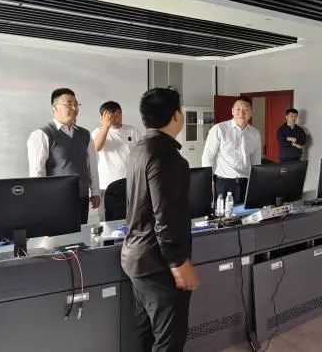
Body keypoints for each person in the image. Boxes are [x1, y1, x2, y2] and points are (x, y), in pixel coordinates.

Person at [121, 87, 200, 352]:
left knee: (144, 334)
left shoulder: (139, 149)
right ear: (176, 115)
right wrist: (178, 262)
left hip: (136, 255)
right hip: (158, 264)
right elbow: (166, 216)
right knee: (169, 340)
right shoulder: (169, 158)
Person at [27, 88, 100, 224]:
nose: (74, 108)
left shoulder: (85, 134)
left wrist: (95, 191)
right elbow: (37, 172)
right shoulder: (42, 134)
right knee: (58, 236)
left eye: (76, 104)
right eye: (69, 104)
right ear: (54, 107)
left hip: (82, 197)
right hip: (56, 200)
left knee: (81, 234)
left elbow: (92, 165)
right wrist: (39, 200)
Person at [201, 96, 261, 204]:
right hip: (224, 183)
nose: (241, 113)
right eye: (238, 109)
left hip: (246, 182)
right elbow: (207, 156)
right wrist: (207, 182)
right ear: (232, 111)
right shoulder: (219, 129)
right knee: (224, 213)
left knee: (247, 213)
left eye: (246, 110)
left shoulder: (255, 133)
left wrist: (256, 182)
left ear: (251, 113)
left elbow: (256, 161)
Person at [91, 101, 141, 220]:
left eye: (118, 113)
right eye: (111, 114)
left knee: (133, 218)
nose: (116, 117)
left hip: (130, 183)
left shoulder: (132, 130)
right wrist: (106, 126)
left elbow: (141, 152)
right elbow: (96, 147)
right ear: (102, 116)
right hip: (107, 186)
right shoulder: (97, 132)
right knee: (108, 220)